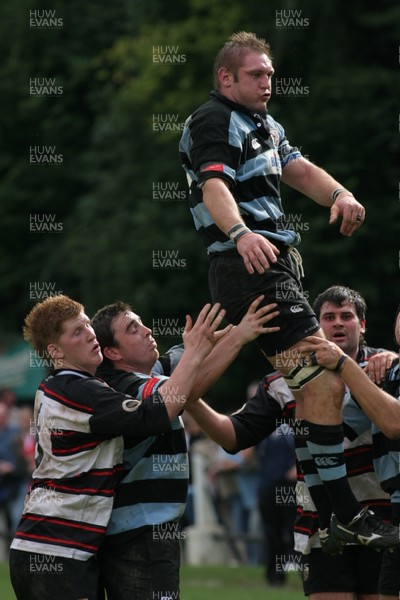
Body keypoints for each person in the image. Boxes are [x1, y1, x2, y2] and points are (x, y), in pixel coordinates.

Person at [178, 29, 398, 548]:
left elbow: (298, 171)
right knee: (324, 373)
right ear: (226, 77)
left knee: (316, 385)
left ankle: (335, 516)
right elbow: (214, 184)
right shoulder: (214, 118)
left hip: (270, 263)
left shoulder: (266, 124)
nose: (267, 82)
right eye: (256, 74)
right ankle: (341, 512)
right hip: (248, 261)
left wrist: (340, 193)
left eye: (271, 74)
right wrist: (239, 232)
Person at [8, 294, 231, 600]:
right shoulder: (76, 389)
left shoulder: (75, 385)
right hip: (55, 551)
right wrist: (196, 352)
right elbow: (153, 414)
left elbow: (165, 377)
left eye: (87, 325)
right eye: (77, 332)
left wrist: (222, 340)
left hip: (68, 549)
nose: (89, 334)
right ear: (55, 351)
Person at [187, 286, 398, 597]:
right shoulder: (283, 381)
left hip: (382, 521)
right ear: (315, 325)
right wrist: (188, 398)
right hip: (320, 526)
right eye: (328, 317)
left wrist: (392, 357)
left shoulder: (384, 368)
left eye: (346, 317)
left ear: (362, 325)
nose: (337, 323)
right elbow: (233, 436)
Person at [91, 295, 279, 600]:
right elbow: (182, 392)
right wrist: (237, 339)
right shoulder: (124, 386)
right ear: (112, 351)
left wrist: (234, 328)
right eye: (132, 328)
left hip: (141, 533)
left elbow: (194, 359)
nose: (147, 330)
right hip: (141, 535)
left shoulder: (151, 372)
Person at [298, 303, 400, 600]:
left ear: (363, 324)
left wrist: (343, 365)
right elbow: (329, 432)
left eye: (346, 316)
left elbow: (394, 423)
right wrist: (302, 383)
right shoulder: (386, 373)